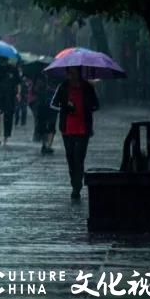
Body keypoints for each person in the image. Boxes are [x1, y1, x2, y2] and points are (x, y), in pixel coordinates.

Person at [51, 67, 100, 200]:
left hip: (83, 128)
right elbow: (54, 104)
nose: (71, 75)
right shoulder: (63, 86)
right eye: (69, 72)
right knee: (71, 158)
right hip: (67, 128)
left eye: (73, 72)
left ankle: (76, 187)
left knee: (79, 158)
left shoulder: (87, 87)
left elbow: (96, 105)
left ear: (79, 73)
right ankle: (74, 181)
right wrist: (66, 106)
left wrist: (86, 105)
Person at [0, 57, 21, 145]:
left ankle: (6, 138)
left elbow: (18, 82)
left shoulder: (13, 69)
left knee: (8, 118)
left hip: (9, 96)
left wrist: (18, 93)